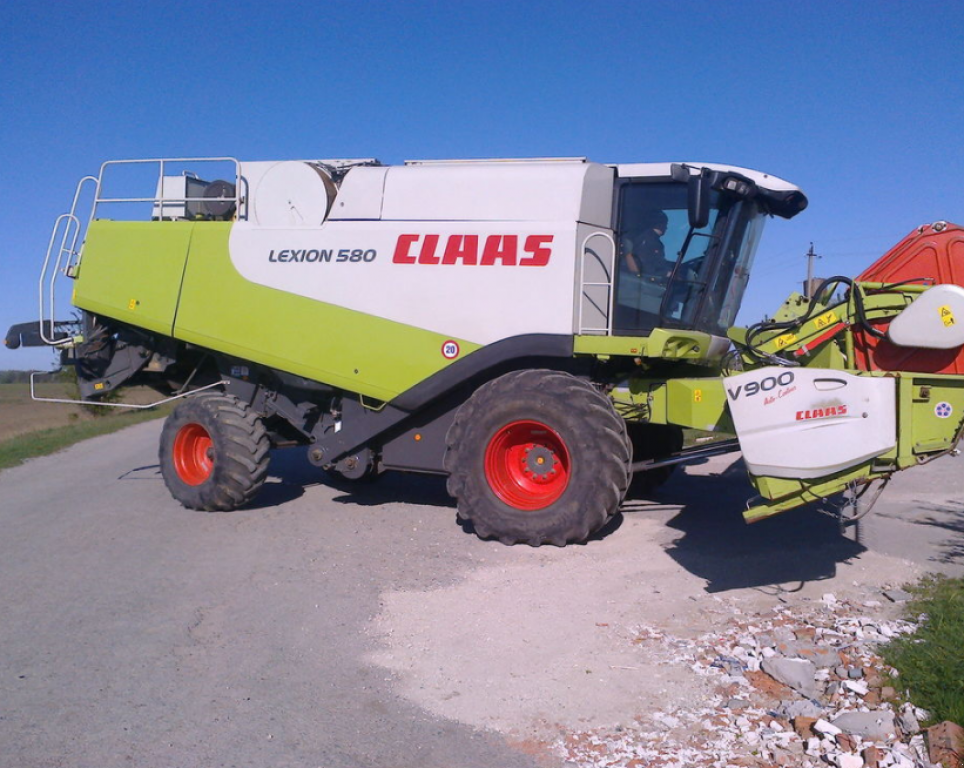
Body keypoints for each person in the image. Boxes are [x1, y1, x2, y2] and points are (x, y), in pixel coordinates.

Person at [619, 209, 674, 279]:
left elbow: (658, 262)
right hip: (647, 280)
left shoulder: (654, 240)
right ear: (659, 223)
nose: (666, 227)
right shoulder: (647, 240)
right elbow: (644, 265)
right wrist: (665, 273)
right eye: (665, 224)